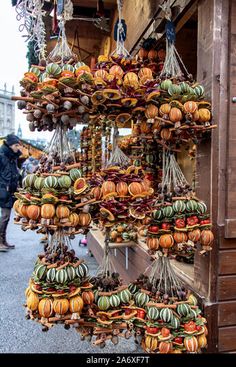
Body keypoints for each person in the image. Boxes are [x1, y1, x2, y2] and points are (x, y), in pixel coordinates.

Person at [0, 134, 22, 251]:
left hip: (10, 190)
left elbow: (14, 173)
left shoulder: (12, 157)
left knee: (6, 217)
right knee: (5, 216)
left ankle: (3, 240)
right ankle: (0, 241)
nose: (17, 147)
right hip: (4, 190)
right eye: (16, 145)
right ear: (9, 145)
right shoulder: (2, 156)